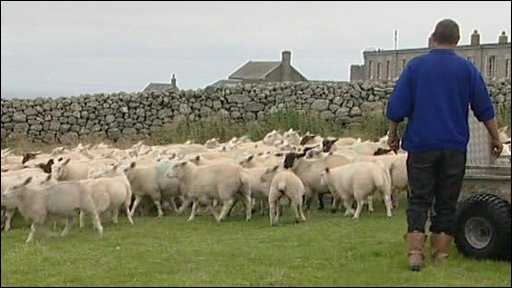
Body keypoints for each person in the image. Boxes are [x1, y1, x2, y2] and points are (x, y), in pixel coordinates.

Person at [386, 19, 503, 272]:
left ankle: (415, 254)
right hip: (454, 146)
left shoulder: (416, 67)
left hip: (421, 145)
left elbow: (397, 107)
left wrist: (393, 134)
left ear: (432, 37)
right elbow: (484, 107)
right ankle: (441, 253)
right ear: (457, 41)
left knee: (419, 199)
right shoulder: (467, 69)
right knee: (447, 200)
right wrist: (496, 137)